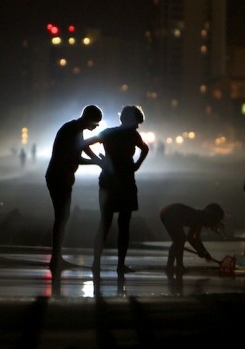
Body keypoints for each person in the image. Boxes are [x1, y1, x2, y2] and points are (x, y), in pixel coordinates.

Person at [90, 105, 149, 275]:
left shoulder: (108, 133)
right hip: (126, 182)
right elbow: (145, 149)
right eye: (137, 122)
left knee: (105, 223)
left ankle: (96, 263)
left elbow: (85, 144)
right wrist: (136, 164)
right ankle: (120, 265)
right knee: (124, 226)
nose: (138, 126)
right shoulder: (132, 134)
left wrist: (98, 161)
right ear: (131, 121)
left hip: (108, 181)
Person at [45, 105, 103, 272]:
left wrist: (96, 159)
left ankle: (57, 257)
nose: (96, 127)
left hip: (62, 177)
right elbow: (75, 157)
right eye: (96, 123)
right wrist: (96, 162)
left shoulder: (75, 128)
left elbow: (83, 147)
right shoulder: (71, 130)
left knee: (63, 216)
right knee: (61, 217)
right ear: (88, 118)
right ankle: (56, 259)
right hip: (58, 177)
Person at [160, 203, 225, 277]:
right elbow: (191, 238)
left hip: (169, 212)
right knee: (179, 240)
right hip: (169, 213)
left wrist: (203, 251)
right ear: (211, 217)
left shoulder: (200, 218)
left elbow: (196, 238)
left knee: (179, 240)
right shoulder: (198, 218)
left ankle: (174, 266)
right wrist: (201, 251)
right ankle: (176, 267)